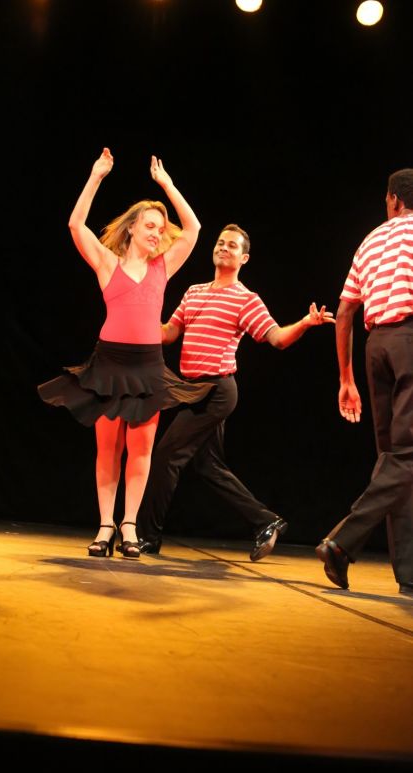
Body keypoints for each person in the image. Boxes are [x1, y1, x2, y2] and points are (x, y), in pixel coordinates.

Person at [38, 148, 213, 558]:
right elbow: (75, 224)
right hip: (110, 364)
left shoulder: (163, 267)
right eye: (150, 225)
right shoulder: (107, 263)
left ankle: (129, 527)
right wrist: (96, 175)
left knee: (141, 449)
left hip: (147, 367)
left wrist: (167, 186)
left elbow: (194, 228)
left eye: (160, 227)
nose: (157, 232)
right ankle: (104, 527)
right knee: (107, 448)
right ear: (132, 228)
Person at [136, 223, 335, 557]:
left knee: (167, 456)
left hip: (217, 391)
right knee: (207, 467)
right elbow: (169, 332)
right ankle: (266, 521)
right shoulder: (194, 292)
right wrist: (138, 315)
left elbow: (276, 338)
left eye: (231, 245)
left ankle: (147, 537)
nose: (223, 248)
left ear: (244, 257)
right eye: (220, 243)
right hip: (191, 388)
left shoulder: (246, 299)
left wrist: (304, 323)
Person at [315, 168, 413, 596]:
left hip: (378, 348)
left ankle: (409, 572)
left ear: (393, 200)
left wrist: (345, 378)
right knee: (407, 458)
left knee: (395, 459)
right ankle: (343, 541)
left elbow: (345, 312)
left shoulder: (370, 240)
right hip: (410, 339)